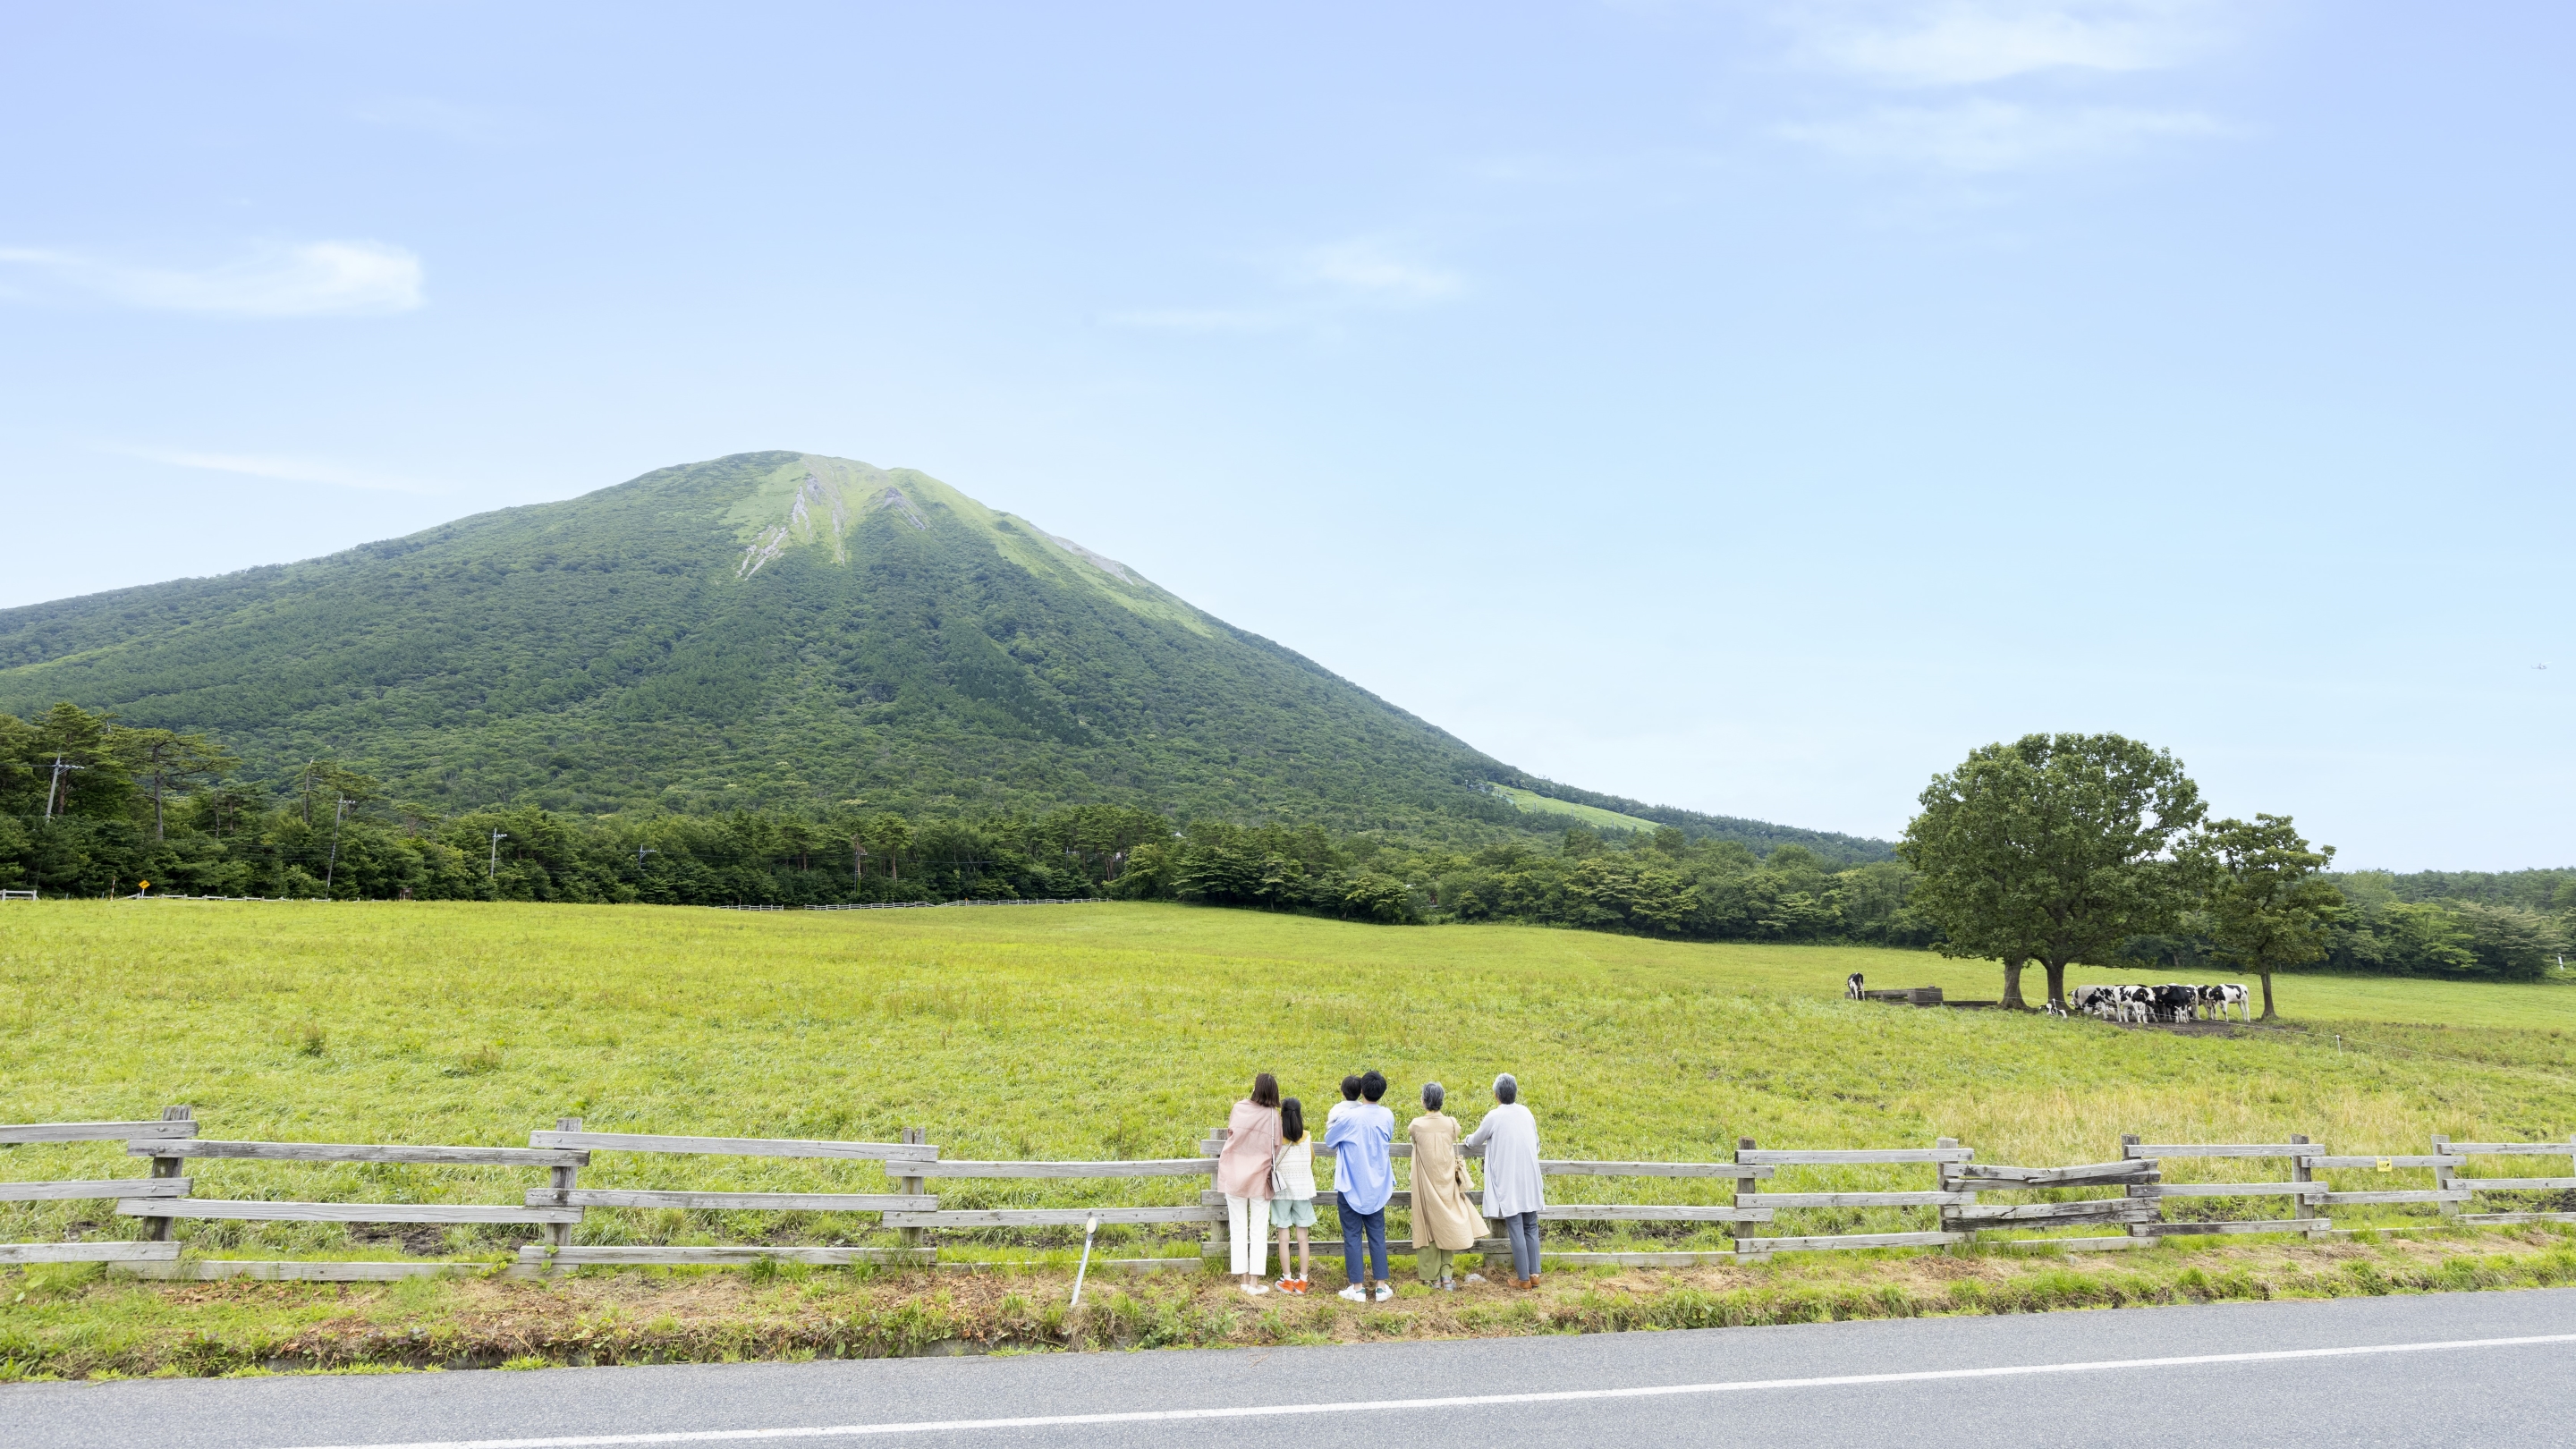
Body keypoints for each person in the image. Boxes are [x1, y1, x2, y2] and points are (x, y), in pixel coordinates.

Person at [1462, 1072, 1544, 1288]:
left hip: (1509, 1178)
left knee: (1516, 1226)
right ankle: (1535, 1274)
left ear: (1496, 1094)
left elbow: (1475, 1140)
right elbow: (1536, 1144)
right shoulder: (1527, 1113)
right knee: (1531, 1225)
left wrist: (1466, 1139)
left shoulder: (1494, 1117)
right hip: (1529, 1177)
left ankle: (1523, 1279)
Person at [1323, 1068, 1394, 1301]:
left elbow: (1330, 1140)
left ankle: (1357, 1288)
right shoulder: (1387, 1116)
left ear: (1362, 1090)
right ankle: (1382, 1287)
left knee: (1352, 1235)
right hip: (1377, 1186)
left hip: (1352, 1184)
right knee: (1377, 1235)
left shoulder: (1349, 1118)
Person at [1407, 1081, 1480, 1291]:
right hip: (1447, 1183)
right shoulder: (1451, 1123)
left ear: (1423, 1101)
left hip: (1426, 1184)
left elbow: (1411, 1133)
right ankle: (1447, 1276)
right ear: (1441, 1101)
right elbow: (1456, 1132)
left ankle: (1433, 1277)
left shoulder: (1417, 1125)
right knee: (1447, 1224)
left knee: (1428, 1226)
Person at [1216, 1072, 1284, 1295]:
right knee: (1258, 1229)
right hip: (1259, 1178)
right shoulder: (1273, 1116)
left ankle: (1243, 1280)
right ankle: (1254, 1283)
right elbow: (1277, 1147)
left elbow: (1232, 1135)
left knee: (1237, 1228)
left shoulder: (1238, 1108)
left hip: (1234, 1174)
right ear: (1273, 1092)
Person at [1270, 1097, 1317, 1294]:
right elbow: (1311, 1160)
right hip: (1303, 1190)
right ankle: (1303, 1281)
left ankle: (1287, 1280)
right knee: (1303, 1237)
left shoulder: (1276, 1139)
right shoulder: (1306, 1137)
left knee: (1283, 1237)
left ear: (1282, 1116)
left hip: (1281, 1192)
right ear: (1299, 1115)